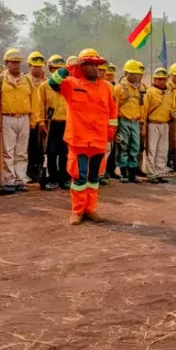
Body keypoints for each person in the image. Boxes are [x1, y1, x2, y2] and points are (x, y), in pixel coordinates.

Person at [48, 48, 117, 225]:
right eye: (91, 65)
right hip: (78, 139)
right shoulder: (71, 83)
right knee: (79, 177)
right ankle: (77, 211)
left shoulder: (106, 87)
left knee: (94, 177)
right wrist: (70, 67)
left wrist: (110, 132)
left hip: (99, 139)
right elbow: (53, 83)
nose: (96, 69)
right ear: (82, 66)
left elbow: (112, 111)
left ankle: (90, 209)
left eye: (97, 65)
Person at [0, 49, 35, 195]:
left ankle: (19, 180)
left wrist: (34, 120)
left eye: (18, 62)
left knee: (22, 151)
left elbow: (34, 101)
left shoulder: (27, 80)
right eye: (12, 62)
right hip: (6, 118)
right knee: (7, 151)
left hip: (24, 117)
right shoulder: (0, 80)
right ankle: (8, 181)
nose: (16, 65)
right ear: (7, 63)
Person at [33, 54, 69, 190]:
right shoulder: (44, 86)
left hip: (66, 123)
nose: (57, 71)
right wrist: (41, 122)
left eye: (60, 69)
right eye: (55, 69)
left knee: (65, 153)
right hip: (50, 124)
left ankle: (64, 178)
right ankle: (52, 178)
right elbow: (39, 105)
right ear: (50, 69)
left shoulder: (68, 85)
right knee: (52, 153)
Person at [143, 67, 176, 183]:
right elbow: (144, 110)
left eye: (164, 79)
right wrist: (143, 127)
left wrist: (174, 114)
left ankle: (159, 172)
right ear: (155, 80)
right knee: (152, 150)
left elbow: (172, 107)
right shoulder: (149, 92)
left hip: (165, 124)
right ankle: (151, 173)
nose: (162, 81)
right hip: (153, 124)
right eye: (160, 79)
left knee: (163, 150)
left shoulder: (169, 93)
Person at [113, 60, 145, 183]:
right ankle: (124, 173)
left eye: (137, 74)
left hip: (135, 122)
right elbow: (114, 108)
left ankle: (132, 174)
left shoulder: (139, 89)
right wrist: (115, 125)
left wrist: (141, 123)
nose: (136, 76)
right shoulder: (119, 89)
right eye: (133, 74)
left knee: (135, 148)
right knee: (123, 147)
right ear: (126, 73)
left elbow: (141, 106)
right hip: (123, 121)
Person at [26, 51, 46, 184]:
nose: (37, 69)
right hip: (28, 120)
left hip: (43, 121)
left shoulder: (47, 83)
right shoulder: (25, 81)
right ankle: (28, 171)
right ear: (29, 66)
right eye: (35, 66)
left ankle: (38, 170)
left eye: (39, 66)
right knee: (29, 147)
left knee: (41, 148)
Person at [101, 63, 120, 185]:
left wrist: (112, 127)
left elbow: (113, 108)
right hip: (94, 125)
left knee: (108, 149)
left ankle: (102, 173)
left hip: (106, 124)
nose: (108, 76)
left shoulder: (109, 87)